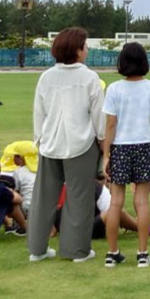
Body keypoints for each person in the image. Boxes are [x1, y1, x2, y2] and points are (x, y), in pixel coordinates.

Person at [27, 27, 106, 263]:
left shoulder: (46, 76)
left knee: (43, 198)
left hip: (50, 143)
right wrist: (103, 142)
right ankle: (76, 250)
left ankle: (37, 249)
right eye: (86, 46)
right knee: (79, 198)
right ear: (78, 49)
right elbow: (98, 116)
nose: (87, 50)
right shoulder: (89, 77)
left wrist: (40, 138)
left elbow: (38, 112)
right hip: (80, 144)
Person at [101, 42, 150, 268]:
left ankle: (112, 253)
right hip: (145, 146)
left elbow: (110, 125)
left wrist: (107, 154)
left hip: (120, 146)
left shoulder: (114, 89)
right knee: (141, 201)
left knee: (115, 203)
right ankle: (142, 253)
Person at [0, 141, 39, 223]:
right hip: (44, 206)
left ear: (21, 158)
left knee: (12, 198)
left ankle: (20, 225)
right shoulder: (41, 170)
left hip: (28, 206)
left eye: (15, 156)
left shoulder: (18, 172)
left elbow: (16, 191)